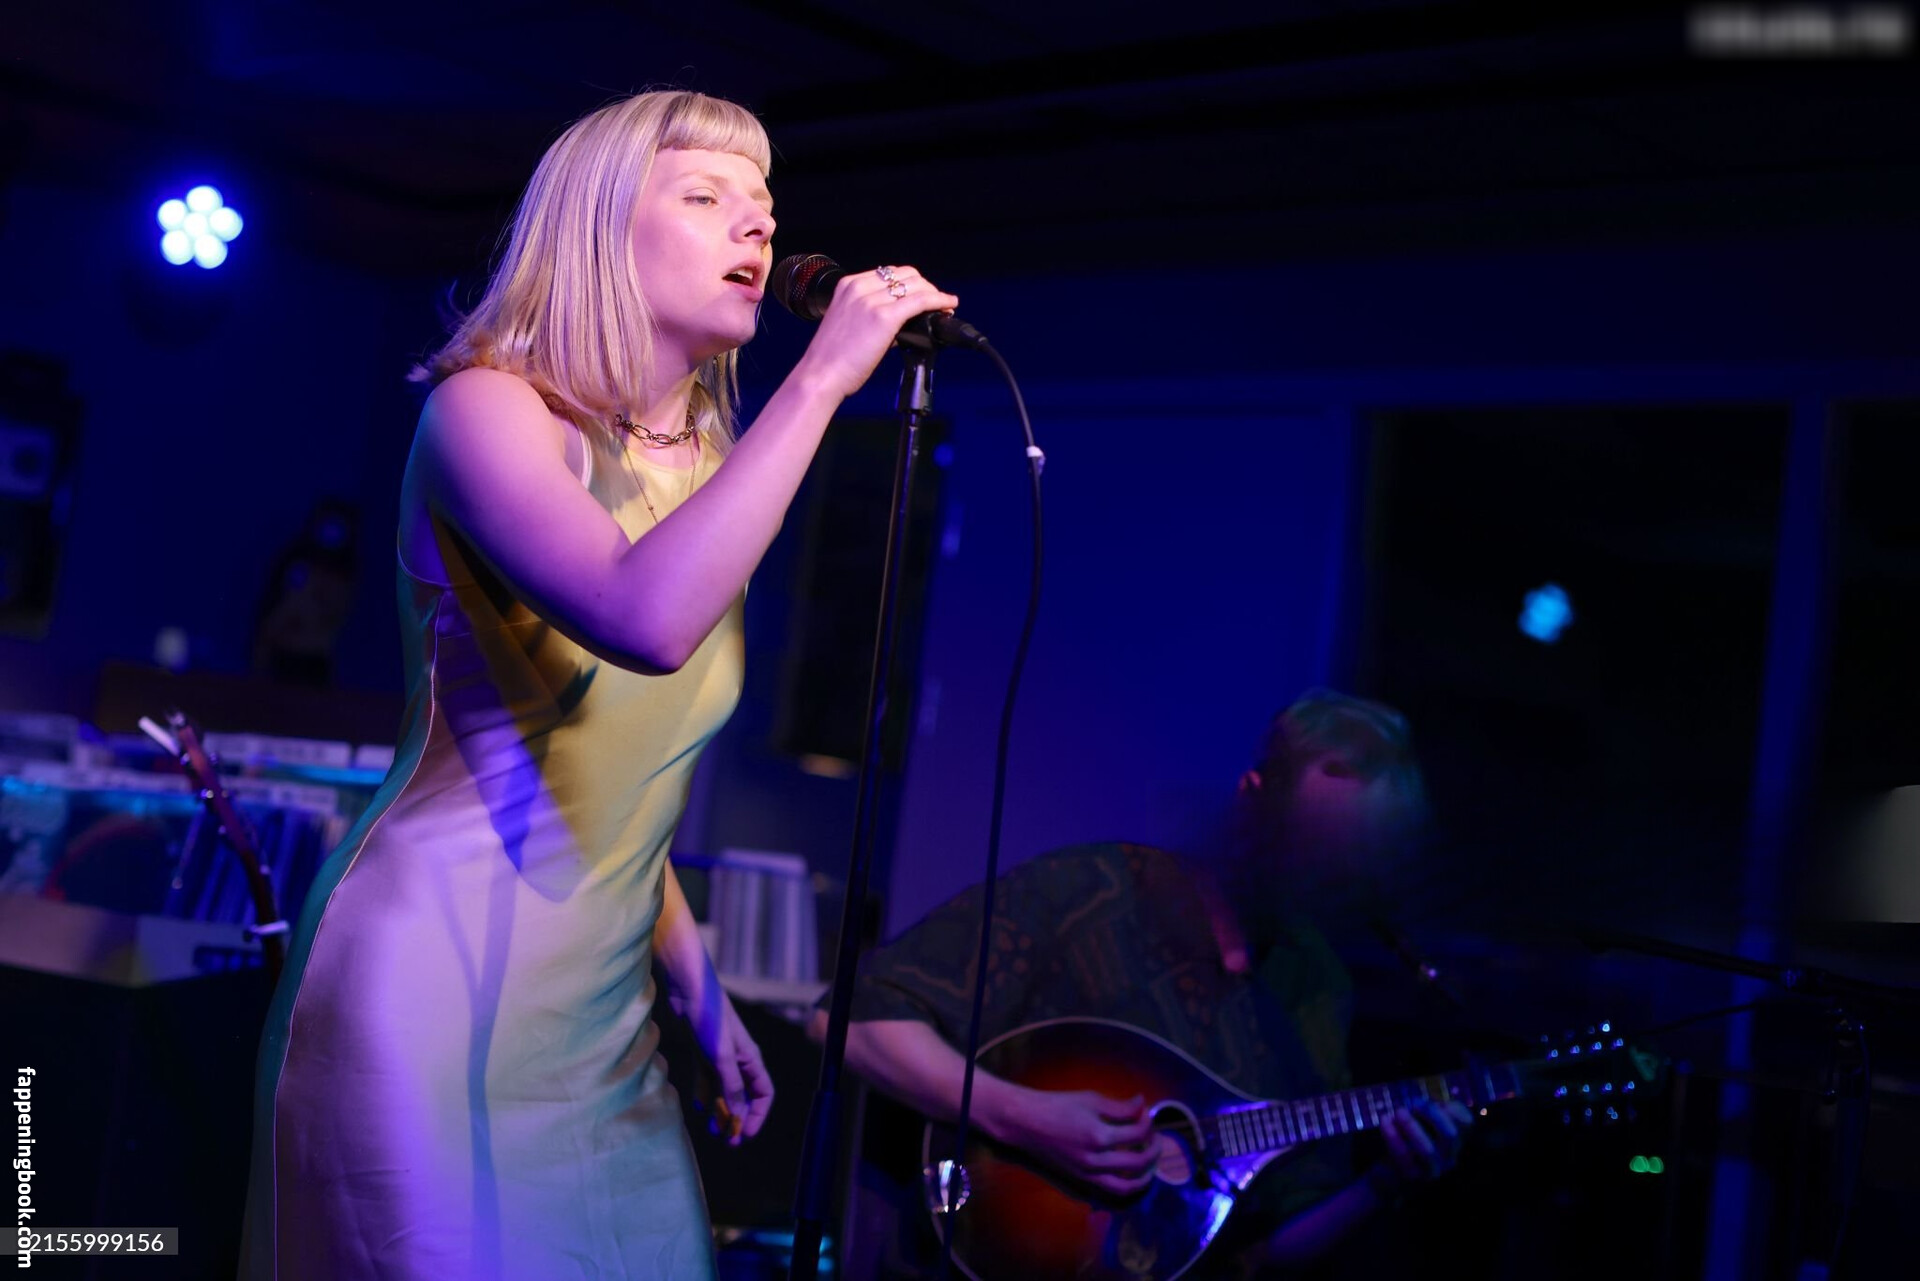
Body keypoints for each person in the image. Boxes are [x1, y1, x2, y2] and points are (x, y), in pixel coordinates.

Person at [238, 89, 960, 1280]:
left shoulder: (714, 463)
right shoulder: (486, 413)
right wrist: (822, 383)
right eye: (707, 196)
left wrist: (701, 991)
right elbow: (645, 622)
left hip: (603, 1030)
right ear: (597, 229)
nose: (758, 227)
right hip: (434, 996)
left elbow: (614, 781)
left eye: (764, 206)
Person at [820, 690, 1474, 1279]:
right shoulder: (1092, 891)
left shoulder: (1317, 987)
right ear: (1253, 800)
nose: (1319, 879)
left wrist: (1384, 1183)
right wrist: (1025, 1116)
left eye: (1345, 864)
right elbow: (849, 1019)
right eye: (1310, 846)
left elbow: (1262, 1251)